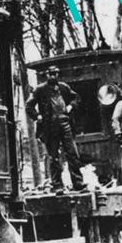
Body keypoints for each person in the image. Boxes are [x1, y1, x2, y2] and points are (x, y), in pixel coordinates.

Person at [25, 65, 85, 193]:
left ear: (58, 75)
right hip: (50, 127)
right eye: (51, 74)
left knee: (72, 153)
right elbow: (29, 106)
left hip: (65, 124)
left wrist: (71, 106)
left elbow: (76, 98)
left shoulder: (64, 87)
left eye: (55, 74)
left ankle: (78, 182)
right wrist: (37, 116)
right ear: (47, 75)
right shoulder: (40, 90)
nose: (53, 76)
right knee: (54, 157)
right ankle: (57, 185)